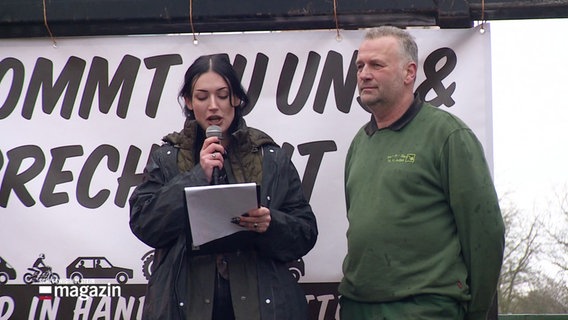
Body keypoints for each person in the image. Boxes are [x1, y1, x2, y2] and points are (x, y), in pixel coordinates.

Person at [129, 53, 318, 320]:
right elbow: (145, 224)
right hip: (187, 305)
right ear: (188, 102)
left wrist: (271, 223)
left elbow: (306, 232)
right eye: (202, 97)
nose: (213, 106)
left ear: (237, 99)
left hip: (260, 306)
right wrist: (196, 176)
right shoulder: (167, 157)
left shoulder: (270, 157)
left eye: (222, 95)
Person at [338, 26, 505, 320]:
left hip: (426, 309)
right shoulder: (359, 144)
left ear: (409, 73)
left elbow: (485, 234)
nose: (364, 74)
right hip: (358, 307)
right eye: (360, 65)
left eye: (377, 65)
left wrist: (474, 311)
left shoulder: (448, 135)